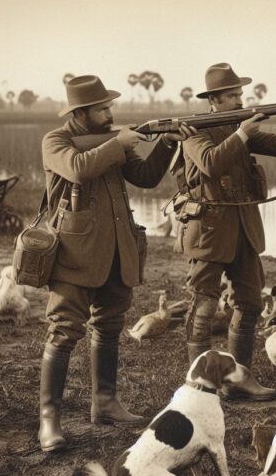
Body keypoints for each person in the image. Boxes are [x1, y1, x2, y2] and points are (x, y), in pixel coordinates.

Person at [38, 75, 196, 452]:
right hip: (74, 254)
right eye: (102, 108)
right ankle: (49, 420)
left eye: (110, 107)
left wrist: (167, 145)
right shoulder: (55, 141)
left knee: (109, 326)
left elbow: (146, 176)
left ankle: (105, 403)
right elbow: (77, 168)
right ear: (81, 113)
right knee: (63, 331)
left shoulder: (111, 140)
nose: (110, 113)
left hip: (115, 250)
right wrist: (118, 143)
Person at [178, 62, 276, 401]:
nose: (240, 100)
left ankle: (239, 378)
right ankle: (200, 385)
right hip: (209, 233)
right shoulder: (194, 131)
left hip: (244, 230)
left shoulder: (239, 127)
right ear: (214, 100)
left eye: (240, 94)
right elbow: (210, 162)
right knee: (203, 308)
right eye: (232, 95)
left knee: (251, 304)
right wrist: (242, 132)